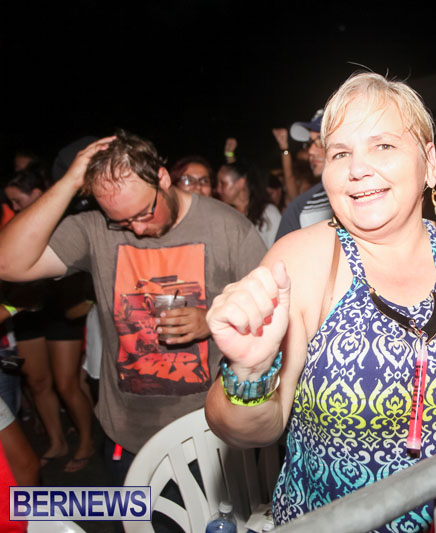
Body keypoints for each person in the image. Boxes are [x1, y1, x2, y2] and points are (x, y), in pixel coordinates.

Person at [204, 72, 436, 531]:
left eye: (383, 145)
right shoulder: (301, 262)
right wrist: (249, 373)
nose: (357, 168)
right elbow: (251, 430)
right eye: (340, 153)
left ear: (429, 164)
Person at [0, 130, 267, 484]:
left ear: (162, 178)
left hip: (208, 433)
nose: (138, 229)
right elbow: (8, 263)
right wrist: (69, 183)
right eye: (123, 221)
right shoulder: (95, 228)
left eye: (144, 213)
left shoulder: (229, 227)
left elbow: (272, 313)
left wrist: (211, 320)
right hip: (126, 437)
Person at [4, 169, 95, 473]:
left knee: (67, 383)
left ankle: (86, 442)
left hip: (60, 308)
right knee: (38, 382)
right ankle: (57, 442)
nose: (14, 208)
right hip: (25, 310)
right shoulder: (17, 226)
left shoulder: (67, 220)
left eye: (18, 201)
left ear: (38, 194)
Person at [274, 109, 334, 239]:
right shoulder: (302, 209)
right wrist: (284, 148)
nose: (311, 151)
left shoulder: (374, 194)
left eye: (320, 141)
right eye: (310, 143)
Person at [216, 162, 281, 248]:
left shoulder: (268, 213)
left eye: (223, 184)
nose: (218, 189)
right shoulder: (224, 214)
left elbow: (279, 247)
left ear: (241, 183)